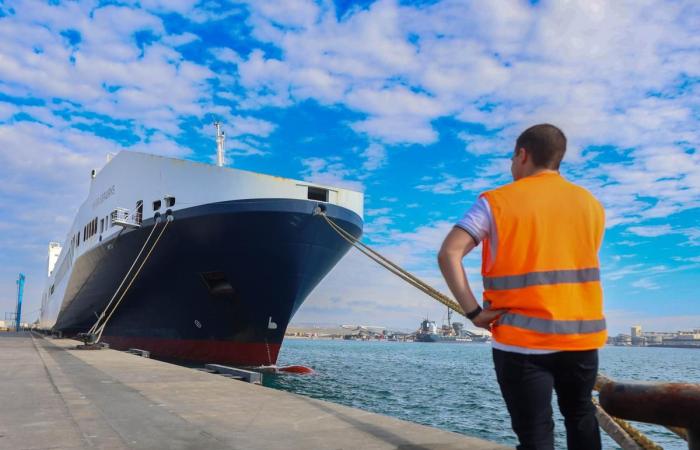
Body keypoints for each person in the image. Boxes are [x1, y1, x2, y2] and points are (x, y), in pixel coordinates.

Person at [437, 124, 606, 450]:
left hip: (521, 343)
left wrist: (473, 312)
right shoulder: (591, 205)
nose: (512, 165)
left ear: (523, 154)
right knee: (581, 417)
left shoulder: (497, 202)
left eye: (513, 157)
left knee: (536, 434)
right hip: (581, 339)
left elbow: (449, 252)